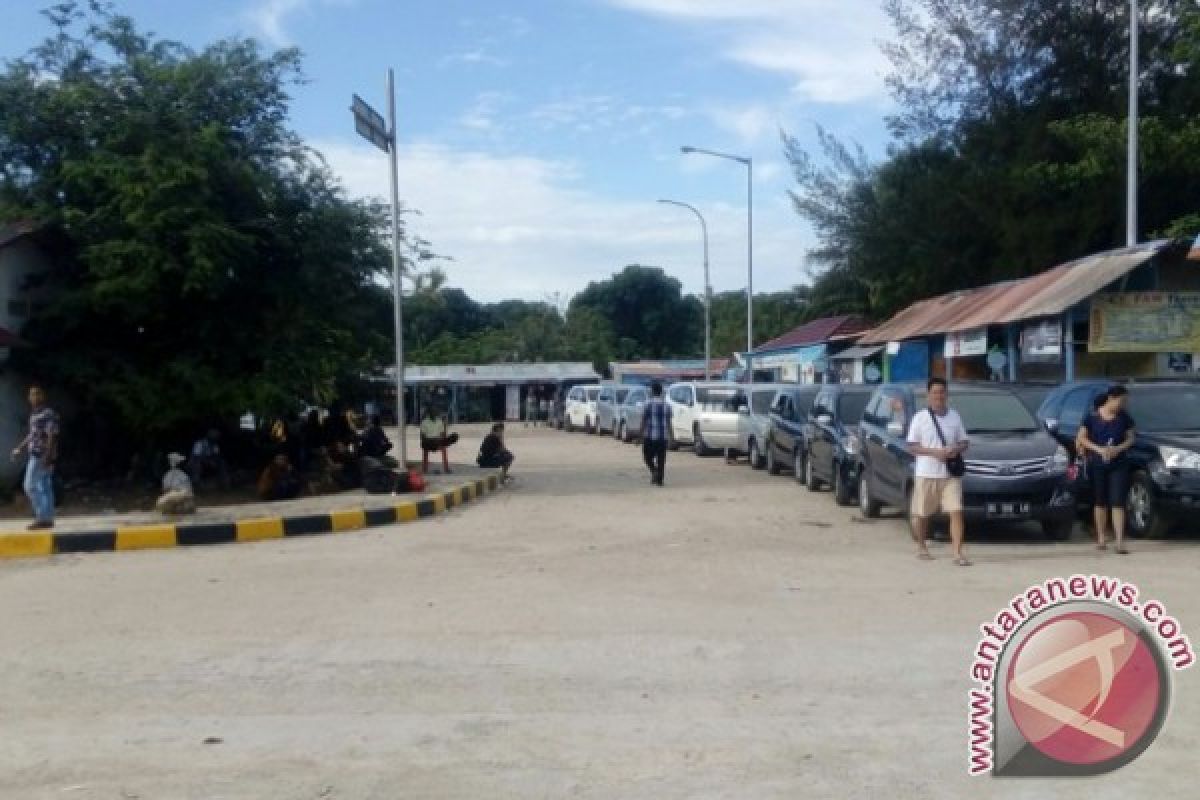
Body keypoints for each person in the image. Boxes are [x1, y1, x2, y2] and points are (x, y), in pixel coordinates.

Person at [906, 377, 971, 565]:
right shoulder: (920, 418)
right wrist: (934, 452)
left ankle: (957, 553)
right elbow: (912, 446)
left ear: (946, 394)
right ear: (928, 395)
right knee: (923, 513)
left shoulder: (955, 416)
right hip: (926, 473)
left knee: (956, 511)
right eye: (935, 392)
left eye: (942, 392)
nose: (938, 396)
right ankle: (922, 546)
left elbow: (964, 442)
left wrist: (955, 450)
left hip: (950, 475)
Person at [1078, 385, 1136, 554]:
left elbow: (1131, 438)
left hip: (1118, 462)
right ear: (1111, 398)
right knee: (1100, 501)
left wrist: (1118, 448)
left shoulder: (1124, 417)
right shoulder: (1092, 417)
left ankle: (1119, 541)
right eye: (1121, 400)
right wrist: (1099, 449)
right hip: (1098, 463)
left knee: (1118, 501)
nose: (1123, 404)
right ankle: (1101, 538)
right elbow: (1082, 437)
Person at [10, 384, 59, 530]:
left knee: (29, 485)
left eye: (38, 394)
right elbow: (32, 435)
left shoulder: (48, 413)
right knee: (44, 486)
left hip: (41, 455)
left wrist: (48, 456)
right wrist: (19, 448)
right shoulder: (34, 414)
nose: (34, 397)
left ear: (43, 396)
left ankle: (42, 518)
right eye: (32, 394)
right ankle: (48, 519)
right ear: (29, 398)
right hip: (36, 453)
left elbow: (52, 434)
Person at [641, 381, 672, 487]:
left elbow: (644, 420)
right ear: (661, 391)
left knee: (647, 457)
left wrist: (639, 435)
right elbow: (668, 422)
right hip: (663, 437)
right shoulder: (667, 406)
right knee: (661, 459)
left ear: (652, 391)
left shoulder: (647, 404)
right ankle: (659, 480)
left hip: (649, 436)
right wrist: (671, 436)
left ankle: (654, 471)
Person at [420, 407, 459, 475]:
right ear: (429, 413)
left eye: (436, 412)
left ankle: (446, 468)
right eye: (433, 411)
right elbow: (422, 436)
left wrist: (445, 427)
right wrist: (432, 439)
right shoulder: (424, 422)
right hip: (428, 442)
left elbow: (443, 434)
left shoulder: (439, 421)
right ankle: (425, 469)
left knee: (454, 436)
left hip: (438, 441)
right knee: (430, 443)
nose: (435, 413)